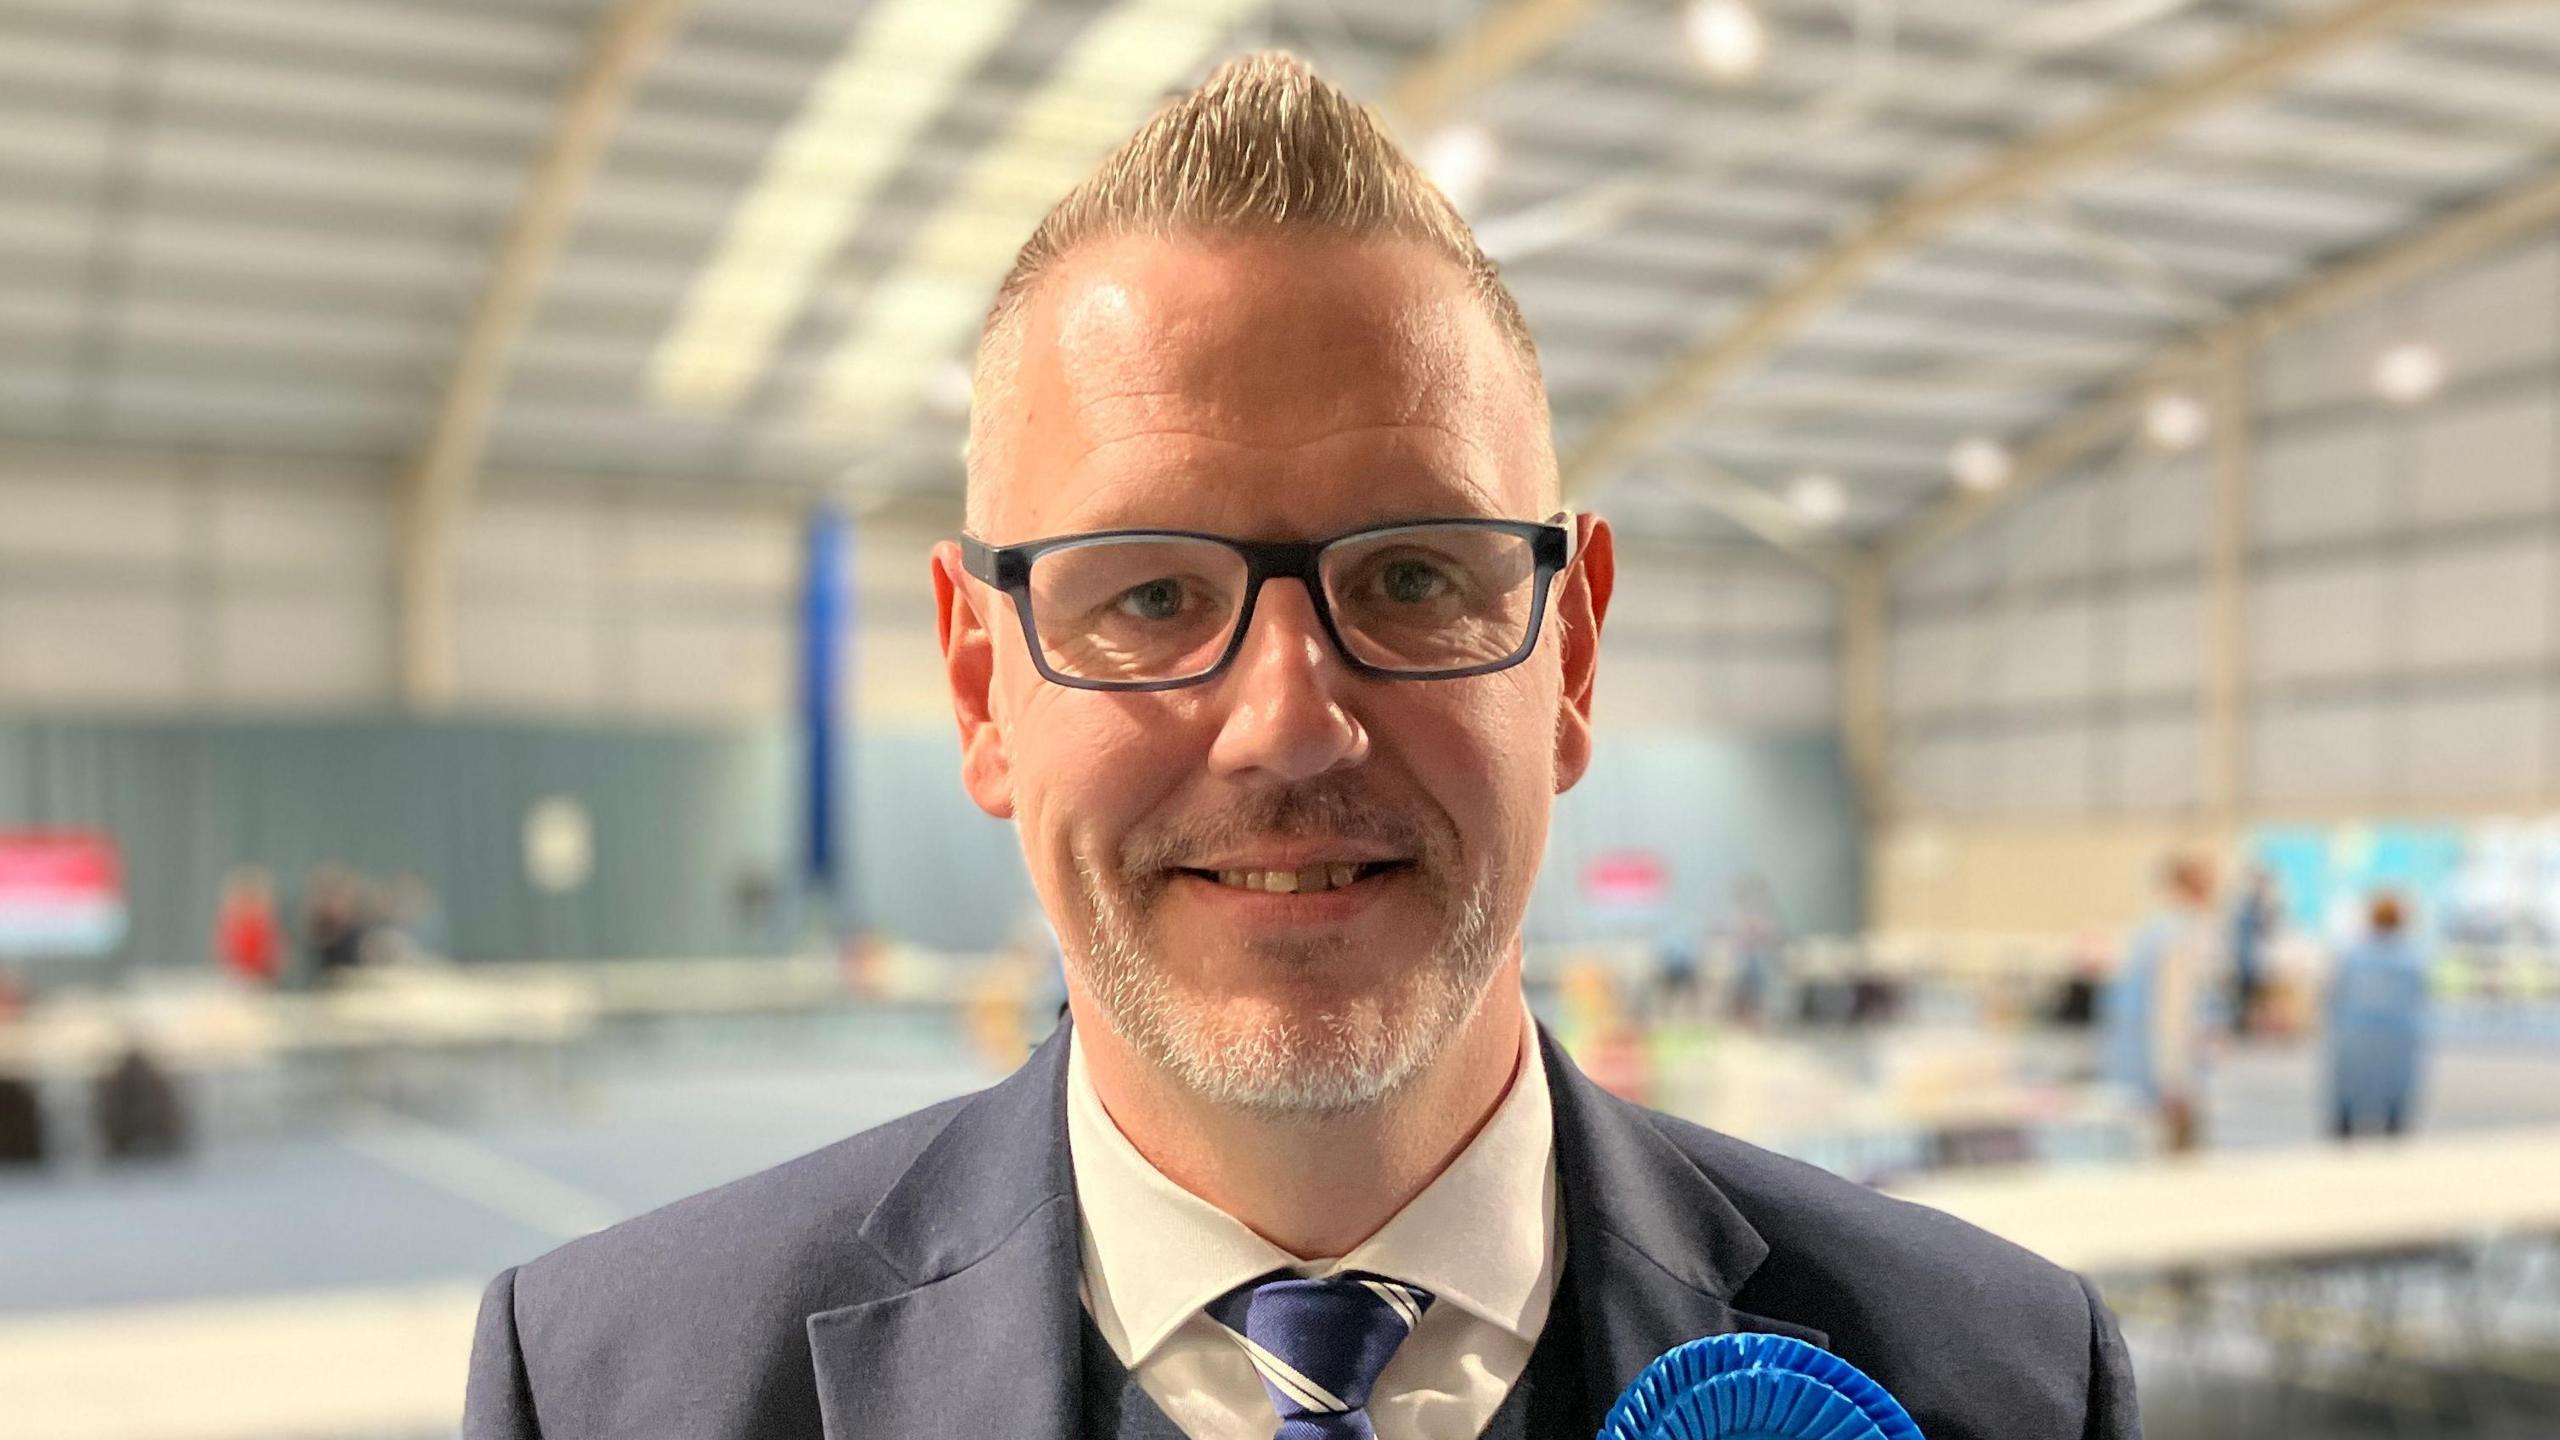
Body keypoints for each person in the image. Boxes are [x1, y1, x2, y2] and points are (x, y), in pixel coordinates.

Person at [463, 55, 2134, 1440]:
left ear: (1570, 654)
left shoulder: (1996, 1382)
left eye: (1412, 577)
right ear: (980, 685)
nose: (1286, 723)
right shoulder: (625, 1389)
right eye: (1145, 596)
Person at [2102, 853, 2221, 1154]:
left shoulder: (2158, 930)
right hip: (2167, 1071)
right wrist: (2174, 1080)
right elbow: (2170, 1014)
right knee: (2171, 1156)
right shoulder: (2177, 936)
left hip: (2158, 1068)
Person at [2327, 894, 2428, 1140]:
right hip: (2397, 1035)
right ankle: (2393, 1127)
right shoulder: (2410, 960)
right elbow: (2418, 999)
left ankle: (2346, 1127)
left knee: (2350, 1091)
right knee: (2395, 1091)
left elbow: (2337, 994)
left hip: (2357, 1032)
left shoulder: (2354, 955)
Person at [2227, 866, 2277, 1035]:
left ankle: (2247, 1025)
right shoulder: (2245, 904)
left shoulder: (2259, 904)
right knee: (2244, 993)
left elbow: (2266, 930)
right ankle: (2242, 1026)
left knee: (2251, 993)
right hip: (2244, 957)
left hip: (2252, 957)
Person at [212, 866, 283, 986]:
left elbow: (274, 955)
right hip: (237, 980)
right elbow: (226, 955)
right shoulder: (232, 927)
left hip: (262, 981)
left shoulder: (263, 926)